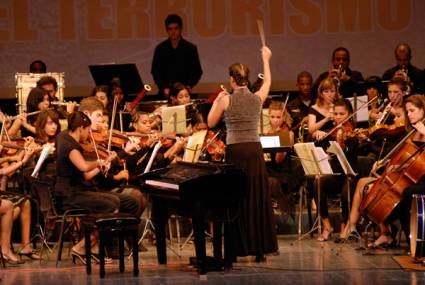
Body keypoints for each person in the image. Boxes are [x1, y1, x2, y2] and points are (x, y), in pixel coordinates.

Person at [208, 46, 278, 261]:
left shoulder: (225, 99)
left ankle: (236, 248)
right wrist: (266, 59)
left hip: (236, 152)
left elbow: (210, 122)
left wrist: (218, 99)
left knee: (236, 199)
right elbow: (267, 82)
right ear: (247, 78)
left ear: (231, 79)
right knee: (256, 198)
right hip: (255, 152)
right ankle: (259, 250)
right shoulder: (257, 98)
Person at [54, 111, 120, 262]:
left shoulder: (62, 136)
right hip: (68, 195)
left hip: (71, 191)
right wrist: (99, 162)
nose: (88, 134)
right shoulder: (71, 146)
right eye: (88, 130)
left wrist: (104, 163)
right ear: (81, 128)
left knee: (114, 200)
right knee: (112, 205)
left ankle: (94, 249)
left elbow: (85, 175)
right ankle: (81, 247)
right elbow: (84, 166)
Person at [151, 14, 203, 99]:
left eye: (176, 28)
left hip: (184, 94)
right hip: (165, 93)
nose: (173, 31)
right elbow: (155, 72)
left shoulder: (190, 48)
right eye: (170, 29)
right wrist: (163, 87)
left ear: (181, 29)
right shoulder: (160, 49)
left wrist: (189, 85)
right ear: (166, 30)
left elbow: (197, 71)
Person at [287, 71, 314, 142]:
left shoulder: (319, 104)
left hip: (315, 141)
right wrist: (301, 123)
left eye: (308, 84)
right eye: (302, 84)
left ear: (312, 85)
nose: (305, 87)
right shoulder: (290, 106)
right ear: (297, 85)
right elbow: (288, 131)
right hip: (297, 143)